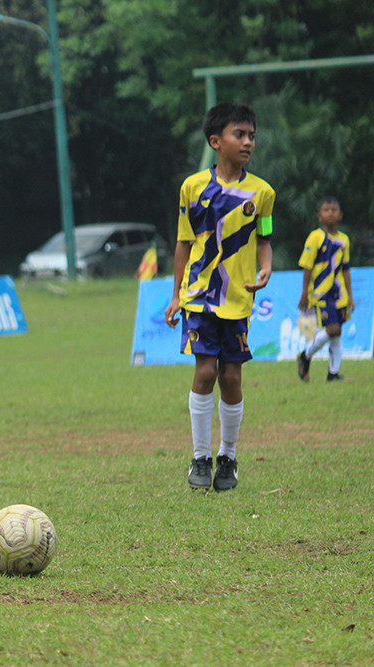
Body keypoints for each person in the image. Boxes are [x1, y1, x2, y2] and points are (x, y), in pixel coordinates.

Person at [164, 103, 275, 493]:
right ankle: (200, 455)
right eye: (239, 135)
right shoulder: (193, 188)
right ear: (216, 141)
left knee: (231, 376)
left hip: (239, 299)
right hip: (199, 297)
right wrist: (177, 295)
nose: (248, 142)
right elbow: (183, 243)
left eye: (251, 136)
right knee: (205, 371)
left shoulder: (263, 193)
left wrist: (266, 267)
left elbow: (265, 239)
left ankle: (228, 455)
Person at [297, 196, 354, 382]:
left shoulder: (344, 240)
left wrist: (350, 296)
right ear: (319, 216)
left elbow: (345, 268)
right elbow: (307, 266)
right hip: (321, 293)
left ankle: (333, 374)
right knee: (333, 329)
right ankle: (305, 355)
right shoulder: (315, 237)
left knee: (337, 332)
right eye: (326, 210)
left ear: (341, 215)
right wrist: (304, 293)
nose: (330, 212)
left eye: (334, 209)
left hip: (340, 294)